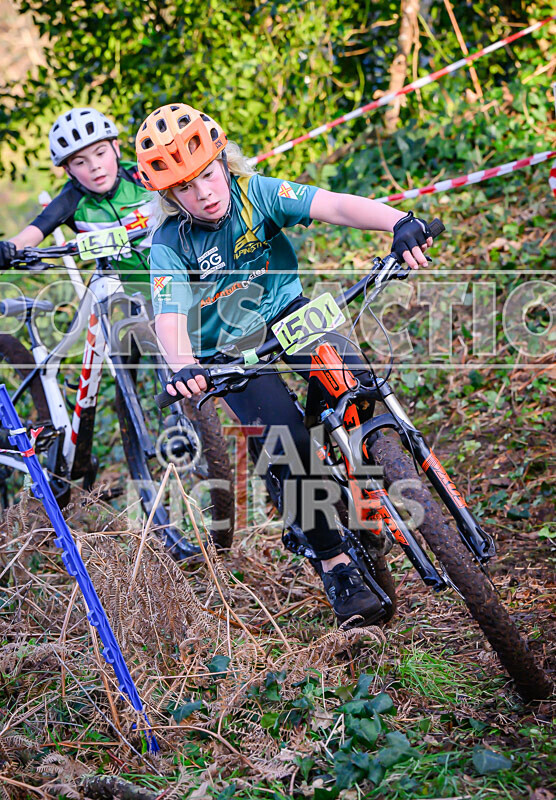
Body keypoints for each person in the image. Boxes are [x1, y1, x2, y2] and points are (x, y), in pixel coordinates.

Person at [136, 103, 433, 626]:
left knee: (357, 386)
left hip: (288, 314)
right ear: (168, 196)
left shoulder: (257, 192)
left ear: (225, 160)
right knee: (287, 440)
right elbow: (168, 313)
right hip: (226, 352)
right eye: (185, 187)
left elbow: (335, 206)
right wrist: (183, 366)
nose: (203, 192)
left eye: (208, 174)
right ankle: (334, 560)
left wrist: (399, 222)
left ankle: (379, 470)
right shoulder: (168, 245)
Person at [0, 107, 153, 291]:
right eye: (80, 162)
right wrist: (7, 250)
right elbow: (28, 237)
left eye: (100, 153)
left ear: (116, 149)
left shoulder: (143, 176)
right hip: (129, 301)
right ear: (68, 171)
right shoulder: (71, 200)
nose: (94, 166)